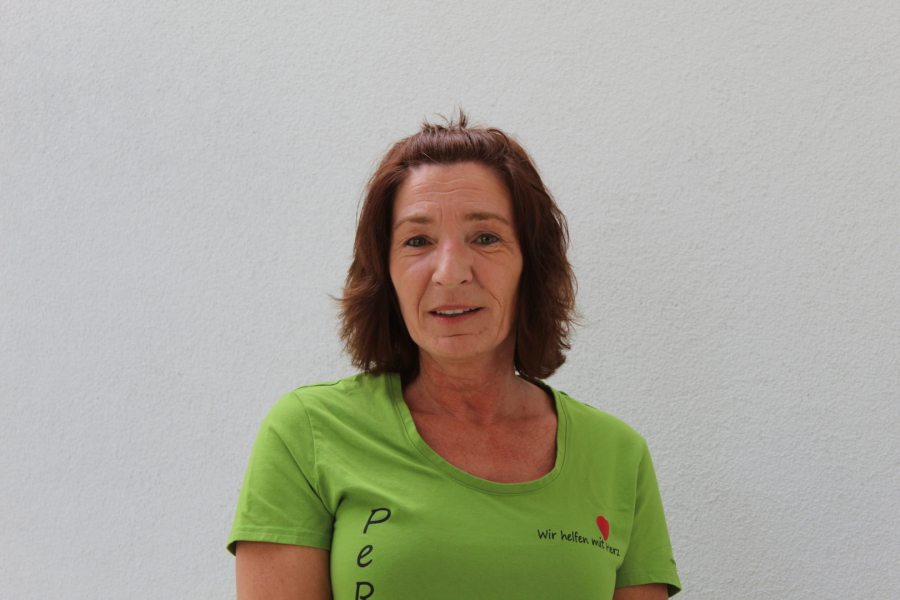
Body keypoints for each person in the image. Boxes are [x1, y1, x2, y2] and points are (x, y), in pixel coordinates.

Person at [228, 114, 681, 599]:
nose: (450, 272)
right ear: (385, 273)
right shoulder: (308, 433)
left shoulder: (618, 456)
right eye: (417, 241)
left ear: (530, 265)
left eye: (486, 237)